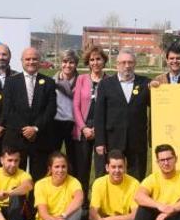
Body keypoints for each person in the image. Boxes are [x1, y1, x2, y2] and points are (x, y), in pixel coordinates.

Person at [0, 47, 57, 179]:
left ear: (40, 61)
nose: (31, 62)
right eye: (28, 59)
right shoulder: (11, 82)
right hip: (16, 138)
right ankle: (17, 200)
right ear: (21, 61)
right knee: (15, 178)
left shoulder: (49, 83)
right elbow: (8, 110)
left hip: (41, 138)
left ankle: (34, 200)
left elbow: (51, 109)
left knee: (39, 177)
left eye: (35, 59)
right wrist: (25, 130)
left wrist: (35, 128)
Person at [94, 49, 151, 181]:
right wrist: (100, 142)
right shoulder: (105, 84)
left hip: (137, 140)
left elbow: (158, 105)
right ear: (116, 64)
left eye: (130, 62)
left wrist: (158, 88)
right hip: (112, 139)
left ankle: (135, 202)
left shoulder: (145, 83)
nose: (127, 66)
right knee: (111, 177)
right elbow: (99, 115)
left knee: (137, 177)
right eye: (123, 62)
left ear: (135, 64)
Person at [18, 152, 87, 220]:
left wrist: (63, 217)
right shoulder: (40, 184)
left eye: (63, 167)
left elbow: (79, 198)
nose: (60, 170)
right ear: (50, 169)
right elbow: (43, 213)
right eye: (57, 167)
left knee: (78, 209)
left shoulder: (73, 181)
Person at [81, 150, 139, 220]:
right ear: (107, 168)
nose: (117, 171)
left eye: (120, 167)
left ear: (125, 167)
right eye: (113, 167)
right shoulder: (99, 183)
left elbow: (134, 216)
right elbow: (93, 214)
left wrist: (110, 219)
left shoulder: (134, 183)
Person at [72, 46, 108, 191]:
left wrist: (97, 129)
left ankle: (98, 203)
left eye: (98, 59)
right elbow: (75, 105)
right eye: (92, 60)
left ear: (104, 61)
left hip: (102, 129)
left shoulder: (109, 81)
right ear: (88, 62)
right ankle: (83, 205)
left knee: (101, 169)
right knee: (82, 168)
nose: (95, 62)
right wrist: (84, 128)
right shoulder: (81, 79)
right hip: (83, 129)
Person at [52, 49, 80, 174]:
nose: (67, 65)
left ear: (76, 64)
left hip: (75, 124)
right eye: (64, 62)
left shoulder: (82, 81)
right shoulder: (52, 81)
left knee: (74, 159)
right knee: (54, 158)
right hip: (56, 123)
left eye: (71, 62)